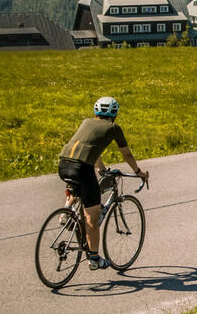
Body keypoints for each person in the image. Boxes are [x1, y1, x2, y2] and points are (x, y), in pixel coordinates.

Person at [57, 97, 149, 270]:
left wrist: (101, 169)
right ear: (115, 113)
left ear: (96, 111)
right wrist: (139, 172)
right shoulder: (113, 128)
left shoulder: (87, 122)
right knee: (92, 215)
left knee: (79, 188)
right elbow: (126, 154)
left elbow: (91, 148)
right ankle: (94, 258)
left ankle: (67, 212)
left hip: (64, 164)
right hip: (82, 169)